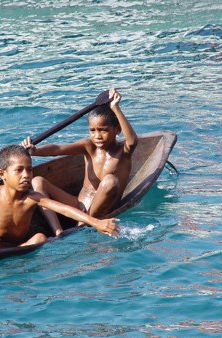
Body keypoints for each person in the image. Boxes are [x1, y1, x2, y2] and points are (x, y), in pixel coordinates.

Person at [21, 88, 138, 236]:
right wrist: (35, 151)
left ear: (117, 130)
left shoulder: (124, 151)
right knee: (38, 181)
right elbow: (58, 149)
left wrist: (115, 108)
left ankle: (83, 223)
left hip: (102, 209)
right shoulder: (88, 146)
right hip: (79, 205)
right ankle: (58, 231)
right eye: (92, 130)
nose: (97, 136)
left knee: (110, 181)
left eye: (103, 130)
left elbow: (133, 140)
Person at [0, 145, 119, 249]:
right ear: (2, 174)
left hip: (19, 248)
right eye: (19, 170)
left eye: (29, 170)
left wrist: (96, 222)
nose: (26, 175)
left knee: (40, 238)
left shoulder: (32, 197)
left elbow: (64, 209)